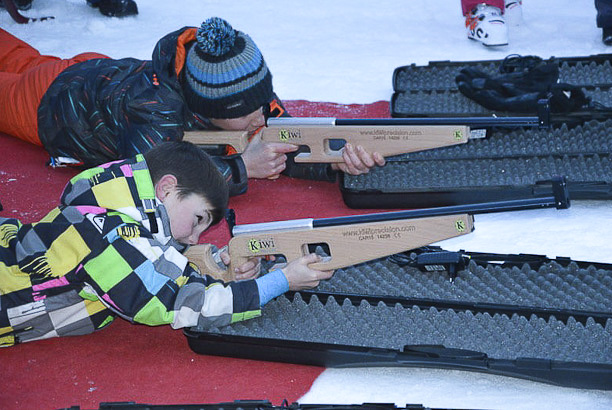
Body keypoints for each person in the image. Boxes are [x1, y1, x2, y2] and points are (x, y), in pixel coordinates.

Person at [0, 17, 384, 197]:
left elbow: (283, 143)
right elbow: (151, 178)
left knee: (16, 54)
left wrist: (330, 161)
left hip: (95, 71)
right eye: (248, 111)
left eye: (262, 101)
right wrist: (240, 168)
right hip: (54, 104)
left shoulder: (235, 88)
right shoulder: (153, 109)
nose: (260, 117)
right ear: (205, 105)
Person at [0, 141, 333, 347]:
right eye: (199, 220)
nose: (192, 238)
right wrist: (280, 281)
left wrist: (216, 264)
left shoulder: (113, 189)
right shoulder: (110, 236)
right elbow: (185, 304)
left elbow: (150, 250)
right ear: (166, 188)